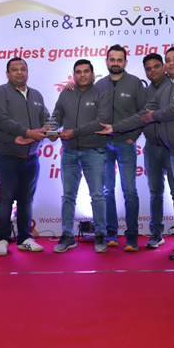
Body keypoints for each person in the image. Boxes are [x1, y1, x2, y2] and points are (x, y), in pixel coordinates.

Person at [101, 47, 174, 264]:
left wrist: (154, 115)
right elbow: (143, 114)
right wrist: (115, 127)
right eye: (168, 60)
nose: (171, 64)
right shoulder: (164, 88)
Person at [50, 60, 112, 253]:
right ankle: (67, 235)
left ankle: (100, 234)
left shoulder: (102, 93)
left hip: (94, 151)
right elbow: (56, 116)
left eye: (86, 71)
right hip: (69, 152)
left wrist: (74, 132)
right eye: (78, 72)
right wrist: (51, 130)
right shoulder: (66, 92)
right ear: (73, 75)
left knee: (97, 195)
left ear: (93, 74)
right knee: (68, 196)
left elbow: (101, 121)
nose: (82, 75)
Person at [0, 57, 49, 255]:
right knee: (5, 199)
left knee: (26, 200)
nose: (19, 72)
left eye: (22, 69)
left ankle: (25, 238)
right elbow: (0, 119)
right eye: (14, 69)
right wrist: (28, 132)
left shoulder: (36, 95)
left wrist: (50, 129)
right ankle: (2, 240)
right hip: (6, 156)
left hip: (31, 158)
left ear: (27, 72)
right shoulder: (0, 92)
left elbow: (46, 119)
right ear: (7, 73)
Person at [95, 45, 146, 252]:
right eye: (112, 59)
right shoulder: (99, 85)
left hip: (126, 143)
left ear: (125, 62)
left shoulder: (135, 83)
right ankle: (111, 233)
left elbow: (144, 112)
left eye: (119, 59)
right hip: (104, 145)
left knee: (130, 191)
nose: (115, 63)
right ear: (106, 61)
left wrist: (133, 137)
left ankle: (132, 236)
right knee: (107, 190)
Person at [139, 54, 174, 250]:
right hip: (151, 147)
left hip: (172, 147)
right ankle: (156, 234)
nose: (153, 71)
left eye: (157, 66)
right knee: (155, 192)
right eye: (148, 68)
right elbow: (135, 115)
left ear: (164, 66)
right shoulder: (143, 91)